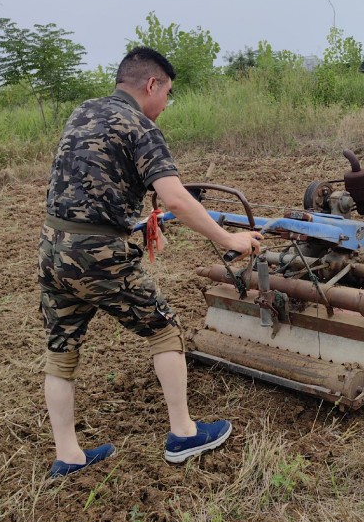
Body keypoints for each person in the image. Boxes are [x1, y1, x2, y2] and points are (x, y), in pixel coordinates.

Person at [38, 46, 262, 477]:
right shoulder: (140, 126)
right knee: (163, 330)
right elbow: (177, 197)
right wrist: (228, 237)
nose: (166, 104)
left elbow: (89, 183)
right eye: (168, 93)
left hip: (53, 250)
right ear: (151, 84)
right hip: (99, 256)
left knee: (61, 352)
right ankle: (183, 434)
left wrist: (131, 222)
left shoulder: (84, 112)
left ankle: (68, 456)